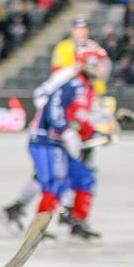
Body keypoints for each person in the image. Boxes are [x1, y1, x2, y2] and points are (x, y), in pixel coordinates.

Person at [27, 41, 110, 241]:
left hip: (61, 143)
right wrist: (66, 132)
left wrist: (94, 134)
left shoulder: (87, 88)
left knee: (85, 179)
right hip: (46, 141)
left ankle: (78, 222)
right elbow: (54, 107)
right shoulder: (71, 82)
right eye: (98, 63)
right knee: (56, 182)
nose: (103, 68)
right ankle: (38, 227)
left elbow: (80, 118)